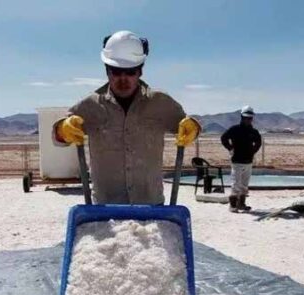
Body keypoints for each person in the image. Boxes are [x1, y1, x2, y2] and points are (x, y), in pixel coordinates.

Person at [53, 30, 201, 205]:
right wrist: (62, 129)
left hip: (151, 206)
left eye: (130, 72)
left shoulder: (161, 103)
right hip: (105, 209)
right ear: (107, 71)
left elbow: (188, 127)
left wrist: (194, 128)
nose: (123, 79)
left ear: (140, 71)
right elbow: (58, 139)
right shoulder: (90, 105)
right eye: (116, 71)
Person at [221, 106, 262, 212]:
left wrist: (253, 151)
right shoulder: (234, 129)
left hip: (248, 161)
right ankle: (233, 205)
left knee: (244, 184)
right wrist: (230, 148)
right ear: (242, 117)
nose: (248, 120)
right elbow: (224, 138)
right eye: (246, 118)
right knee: (236, 184)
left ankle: (241, 204)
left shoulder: (253, 131)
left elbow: (258, 142)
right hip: (237, 161)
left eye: (250, 118)